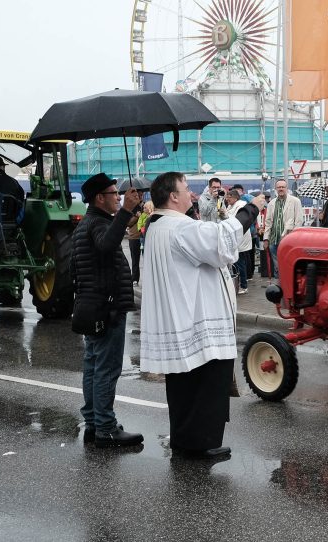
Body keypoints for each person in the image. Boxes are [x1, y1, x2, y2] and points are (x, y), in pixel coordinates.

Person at [139, 171, 265, 460]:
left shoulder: (159, 225)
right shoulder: (179, 227)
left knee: (183, 386)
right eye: (186, 189)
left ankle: (184, 440)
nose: (191, 194)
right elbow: (221, 240)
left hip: (180, 316)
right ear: (172, 196)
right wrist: (252, 208)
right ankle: (200, 444)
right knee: (205, 384)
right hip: (198, 319)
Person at [72, 173, 143, 448]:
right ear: (100, 198)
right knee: (106, 369)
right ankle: (105, 427)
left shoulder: (86, 224)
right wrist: (125, 211)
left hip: (92, 306)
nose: (118, 196)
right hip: (107, 307)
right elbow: (107, 244)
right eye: (114, 193)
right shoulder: (97, 224)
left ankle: (93, 421)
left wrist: (126, 215)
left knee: (93, 366)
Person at [263, 179, 303, 279]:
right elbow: (268, 222)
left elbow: (298, 221)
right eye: (279, 187)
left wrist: (295, 238)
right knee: (277, 267)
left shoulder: (295, 201)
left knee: (287, 264)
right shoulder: (272, 203)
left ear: (287, 188)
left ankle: (288, 287)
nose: (281, 189)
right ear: (276, 189)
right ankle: (279, 288)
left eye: (283, 187)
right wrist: (266, 239)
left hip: (287, 240)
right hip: (273, 239)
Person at [225, 189, 252, 294]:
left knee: (240, 263)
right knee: (239, 263)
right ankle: (240, 284)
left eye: (229, 197)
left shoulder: (241, 206)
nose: (227, 199)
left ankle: (243, 286)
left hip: (241, 239)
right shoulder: (231, 206)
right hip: (236, 238)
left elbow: (235, 220)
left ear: (236, 197)